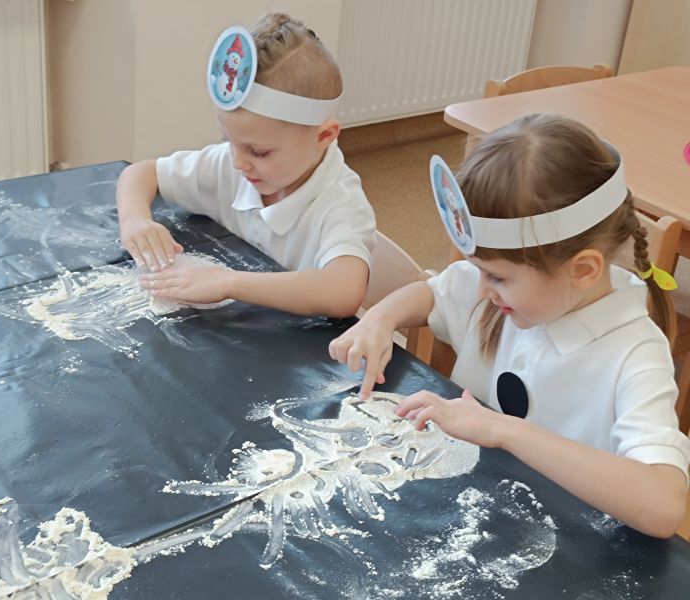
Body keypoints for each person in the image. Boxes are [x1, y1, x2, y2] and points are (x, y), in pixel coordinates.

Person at [329, 114, 690, 538]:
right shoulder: (513, 295)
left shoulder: (635, 354)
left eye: (497, 277)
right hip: (475, 510)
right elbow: (432, 294)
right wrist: (380, 319)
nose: (482, 289)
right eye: (479, 270)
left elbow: (663, 504)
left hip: (565, 543)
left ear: (583, 270)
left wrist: (503, 430)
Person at [116, 13, 376, 318]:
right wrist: (134, 220)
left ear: (323, 136)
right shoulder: (230, 166)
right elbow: (141, 173)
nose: (238, 162)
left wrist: (228, 282)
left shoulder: (340, 205)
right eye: (228, 140)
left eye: (258, 152)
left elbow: (343, 291)